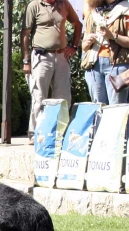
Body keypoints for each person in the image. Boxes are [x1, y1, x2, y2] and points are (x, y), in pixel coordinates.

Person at [21, 0, 82, 144]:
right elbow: (25, 33)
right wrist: (26, 60)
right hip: (41, 56)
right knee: (39, 97)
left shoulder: (64, 4)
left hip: (61, 56)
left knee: (63, 97)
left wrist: (74, 46)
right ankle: (35, 134)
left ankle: (61, 133)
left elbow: (78, 24)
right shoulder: (34, 5)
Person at [81, 0, 129, 104]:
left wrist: (113, 36)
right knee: (98, 109)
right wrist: (88, 41)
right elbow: (84, 47)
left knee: (117, 111)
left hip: (118, 66)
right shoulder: (93, 12)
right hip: (94, 66)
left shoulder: (126, 10)